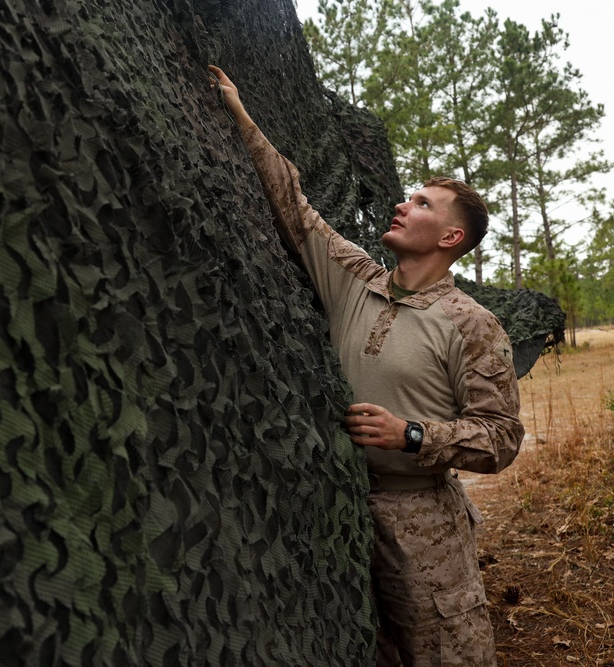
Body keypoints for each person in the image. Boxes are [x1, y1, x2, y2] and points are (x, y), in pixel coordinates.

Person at [206, 65, 524, 666]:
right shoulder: (355, 278)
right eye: (410, 196)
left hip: (423, 525)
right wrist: (239, 113)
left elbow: (501, 439)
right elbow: (295, 207)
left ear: (451, 238)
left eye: (422, 203)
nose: (402, 205)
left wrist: (411, 434)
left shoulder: (473, 325)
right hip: (339, 511)